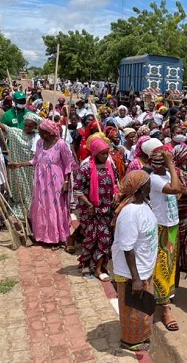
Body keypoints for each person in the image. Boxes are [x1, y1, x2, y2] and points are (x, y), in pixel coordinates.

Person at [10, 119, 75, 249]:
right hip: (41, 181)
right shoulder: (40, 143)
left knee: (54, 207)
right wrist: (19, 165)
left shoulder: (61, 144)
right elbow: (35, 160)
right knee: (41, 206)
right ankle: (42, 236)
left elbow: (69, 165)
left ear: (48, 133)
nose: (38, 134)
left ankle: (56, 238)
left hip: (57, 182)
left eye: (41, 132)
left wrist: (67, 182)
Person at [112, 170, 158, 352]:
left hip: (144, 267)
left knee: (142, 309)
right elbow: (127, 247)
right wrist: (136, 278)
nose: (150, 184)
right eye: (147, 182)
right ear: (140, 188)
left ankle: (140, 336)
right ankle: (130, 341)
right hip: (133, 272)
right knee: (133, 309)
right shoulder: (130, 213)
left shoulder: (144, 204)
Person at [74, 137, 118, 280]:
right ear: (95, 153)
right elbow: (78, 190)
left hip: (107, 210)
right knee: (90, 239)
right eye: (103, 154)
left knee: (105, 239)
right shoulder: (86, 168)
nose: (106, 156)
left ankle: (99, 268)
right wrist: (89, 204)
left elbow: (115, 184)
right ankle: (86, 263)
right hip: (91, 211)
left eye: (107, 153)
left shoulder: (110, 165)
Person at [149, 146, 182, 331]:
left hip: (172, 225)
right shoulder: (154, 179)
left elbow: (180, 189)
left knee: (169, 267)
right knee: (161, 268)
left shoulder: (168, 176)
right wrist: (171, 165)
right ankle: (165, 308)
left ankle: (163, 298)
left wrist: (173, 170)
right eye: (168, 160)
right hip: (161, 226)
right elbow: (176, 188)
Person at [172, 144, 187, 283]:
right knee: (179, 241)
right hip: (179, 211)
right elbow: (180, 191)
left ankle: (186, 262)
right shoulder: (176, 173)